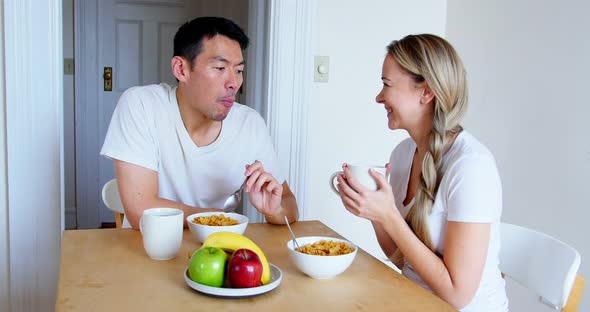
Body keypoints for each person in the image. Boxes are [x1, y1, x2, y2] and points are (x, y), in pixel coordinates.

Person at [334, 34, 508, 311]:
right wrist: (374, 213)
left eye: (386, 85)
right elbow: (403, 260)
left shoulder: (471, 167)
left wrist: (389, 216)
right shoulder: (403, 154)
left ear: (425, 92)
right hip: (412, 302)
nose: (379, 97)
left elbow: (457, 295)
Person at [100, 16, 298, 229]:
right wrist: (223, 220)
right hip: (148, 251)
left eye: (239, 70)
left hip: (215, 250)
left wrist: (274, 208)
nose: (234, 83)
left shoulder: (250, 124)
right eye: (220, 68)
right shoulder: (141, 105)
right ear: (181, 69)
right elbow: (142, 211)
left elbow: (290, 205)